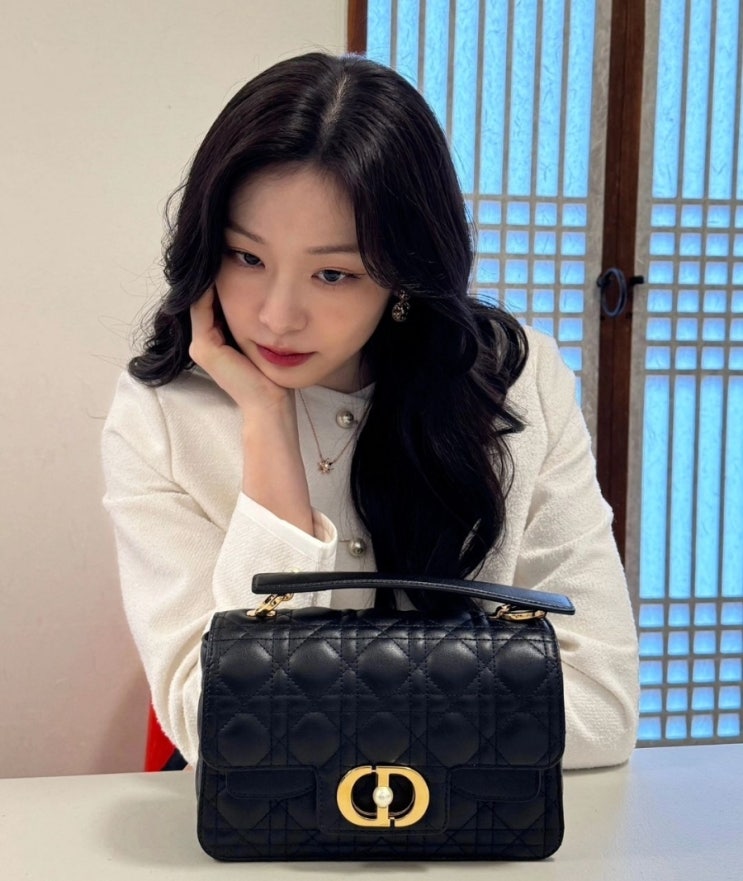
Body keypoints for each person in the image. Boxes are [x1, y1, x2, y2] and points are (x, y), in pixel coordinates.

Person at [102, 52, 639, 771]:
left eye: (333, 273)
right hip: (262, 823)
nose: (277, 316)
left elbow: (601, 705)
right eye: (246, 257)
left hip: (470, 822)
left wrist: (317, 717)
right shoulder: (161, 415)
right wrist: (266, 424)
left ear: (402, 278)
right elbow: (220, 724)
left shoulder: (515, 382)